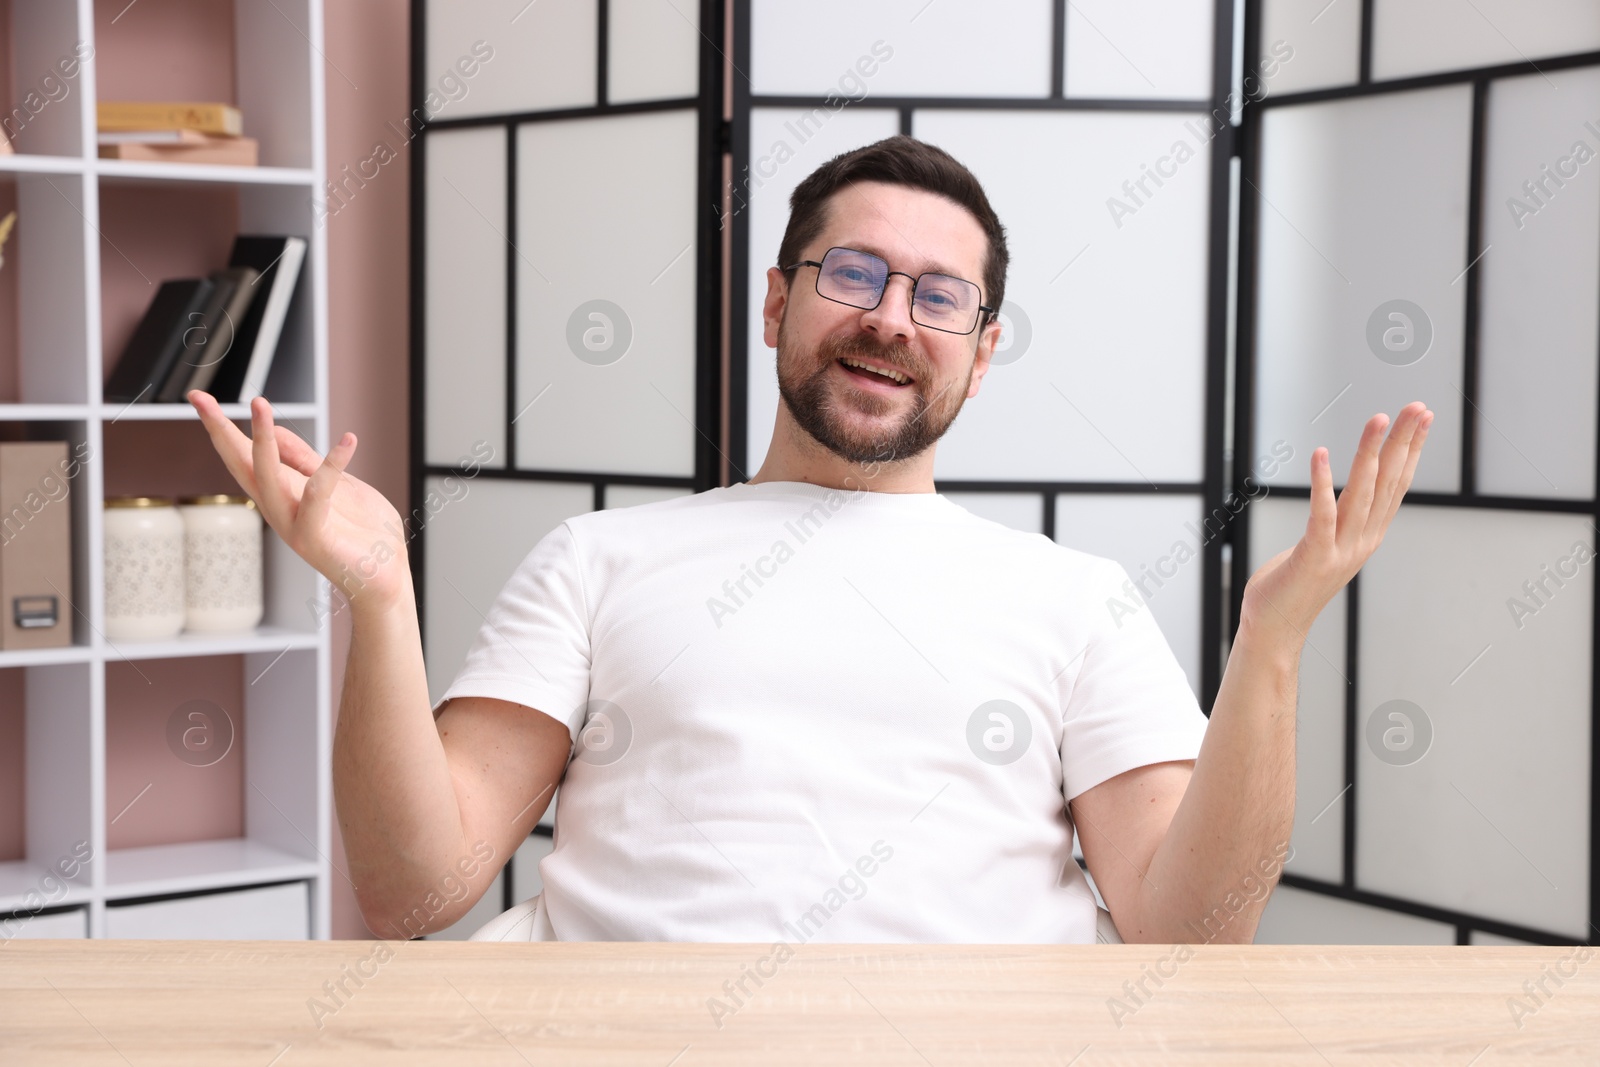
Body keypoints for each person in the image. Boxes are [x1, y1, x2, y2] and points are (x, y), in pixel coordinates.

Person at [189, 134, 1433, 945]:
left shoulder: (1076, 597)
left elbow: (1191, 926)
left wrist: (1269, 645)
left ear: (982, 351)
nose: (892, 319)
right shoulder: (598, 559)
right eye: (854, 273)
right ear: (778, 300)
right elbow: (414, 889)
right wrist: (380, 597)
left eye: (939, 295)